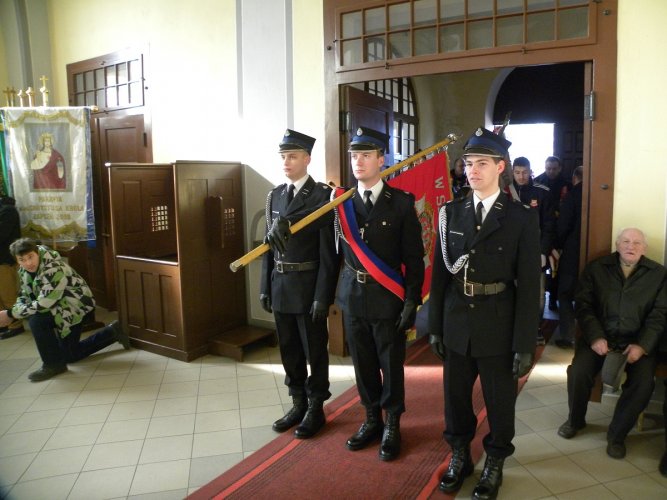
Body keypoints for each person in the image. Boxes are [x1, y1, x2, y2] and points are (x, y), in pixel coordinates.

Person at [429, 127, 541, 499]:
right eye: (468, 163)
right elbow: (440, 276)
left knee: (499, 401)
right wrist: (435, 326)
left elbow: (530, 285)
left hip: (499, 323)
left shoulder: (521, 218)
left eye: (481, 163)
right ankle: (460, 455)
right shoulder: (450, 213)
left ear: (500, 167)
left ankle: (495, 460)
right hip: (457, 321)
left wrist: (524, 343)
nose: (472, 170)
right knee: (456, 399)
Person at [334, 126, 424, 461]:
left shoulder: (400, 203)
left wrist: (412, 300)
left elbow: (414, 259)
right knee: (363, 364)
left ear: (381, 159)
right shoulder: (341, 203)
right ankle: (372, 418)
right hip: (353, 297)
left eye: (366, 155)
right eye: (354, 155)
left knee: (391, 364)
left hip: (388, 299)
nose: (358, 161)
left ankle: (393, 423)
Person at [557, 228, 667, 460]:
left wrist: (642, 345)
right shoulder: (597, 268)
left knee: (643, 384)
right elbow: (583, 305)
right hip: (600, 336)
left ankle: (617, 436)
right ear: (617, 244)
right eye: (626, 241)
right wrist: (596, 337)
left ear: (645, 248)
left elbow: (659, 315)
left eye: (637, 243)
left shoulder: (659, 274)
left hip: (637, 341)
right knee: (578, 372)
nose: (631, 246)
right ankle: (575, 420)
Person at [260, 129, 339, 439]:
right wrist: (265, 286)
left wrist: (323, 296)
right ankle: (298, 403)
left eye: (292, 156)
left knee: (314, 349)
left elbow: (329, 255)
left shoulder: (321, 197)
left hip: (308, 287)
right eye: (283, 156)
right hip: (281, 284)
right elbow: (268, 247)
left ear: (307, 158)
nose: (286, 162)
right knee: (289, 349)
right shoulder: (275, 195)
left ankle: (316, 406)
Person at [0, 238, 131, 382]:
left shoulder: (53, 267)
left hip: (75, 307)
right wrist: (14, 311)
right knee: (69, 355)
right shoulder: (24, 271)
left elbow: (45, 303)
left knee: (36, 320)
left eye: (30, 257)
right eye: (22, 260)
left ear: (37, 252)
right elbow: (24, 296)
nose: (28, 263)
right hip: (59, 308)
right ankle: (113, 332)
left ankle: (52, 365)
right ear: (17, 260)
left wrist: (11, 314)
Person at [511, 156, 556, 344]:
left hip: (535, 251)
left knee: (537, 293)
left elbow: (549, 225)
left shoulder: (542, 192)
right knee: (512, 292)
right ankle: (515, 328)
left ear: (530, 171)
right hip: (511, 252)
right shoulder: (505, 192)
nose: (521, 176)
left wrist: (544, 251)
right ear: (513, 172)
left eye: (524, 172)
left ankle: (535, 328)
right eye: (517, 172)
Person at [553, 166, 583, 348]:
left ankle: (568, 336)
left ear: (574, 178)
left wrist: (558, 245)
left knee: (564, 293)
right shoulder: (597, 192)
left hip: (572, 251)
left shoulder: (572, 195)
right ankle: (584, 335)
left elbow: (563, 224)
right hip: (593, 249)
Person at [0, 196, 24, 339]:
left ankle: (16, 325)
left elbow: (2, 234)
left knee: (8, 295)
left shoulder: (8, 210)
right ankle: (3, 324)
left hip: (4, 260)